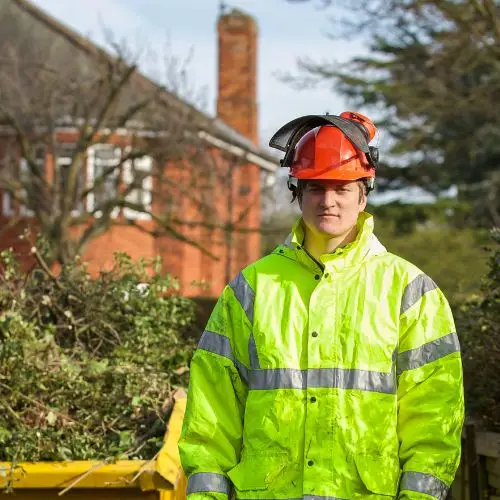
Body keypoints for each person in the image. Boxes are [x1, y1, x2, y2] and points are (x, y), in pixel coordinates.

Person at [178, 111, 464, 500]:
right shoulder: (252, 289)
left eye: (342, 188)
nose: (328, 200)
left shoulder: (410, 293)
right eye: (315, 187)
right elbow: (212, 412)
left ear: (365, 193)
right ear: (298, 193)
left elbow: (434, 419)